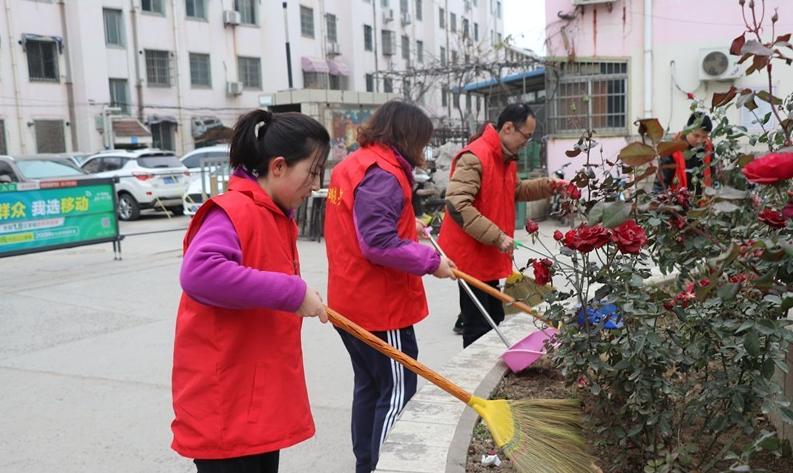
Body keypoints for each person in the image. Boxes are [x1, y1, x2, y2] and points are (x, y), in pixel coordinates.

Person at [171, 109, 330, 473]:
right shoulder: (234, 211)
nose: (316, 184)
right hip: (225, 408)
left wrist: (299, 295)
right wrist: (292, 293)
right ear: (278, 167)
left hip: (253, 405)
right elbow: (199, 272)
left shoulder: (273, 215)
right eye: (313, 171)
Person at [324, 100, 456, 473]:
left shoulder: (354, 164)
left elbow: (361, 222)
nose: (424, 151)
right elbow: (377, 242)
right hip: (380, 307)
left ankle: (365, 463)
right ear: (407, 136)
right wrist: (432, 262)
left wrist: (407, 225)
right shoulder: (383, 172)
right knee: (397, 391)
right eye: (422, 142)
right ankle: (381, 467)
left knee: (369, 386)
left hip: (348, 299)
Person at [438, 103, 563, 348]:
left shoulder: (506, 159)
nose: (527, 143)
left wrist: (548, 186)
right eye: (526, 137)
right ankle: (473, 381)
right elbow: (457, 204)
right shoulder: (475, 157)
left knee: (494, 319)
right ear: (508, 128)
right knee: (478, 326)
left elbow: (514, 190)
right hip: (470, 257)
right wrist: (497, 236)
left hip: (488, 256)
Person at [654, 112, 715, 194]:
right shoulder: (671, 148)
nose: (699, 140)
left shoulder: (709, 148)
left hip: (703, 202)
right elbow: (661, 184)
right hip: (679, 202)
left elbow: (713, 176)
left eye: (704, 137)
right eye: (696, 135)